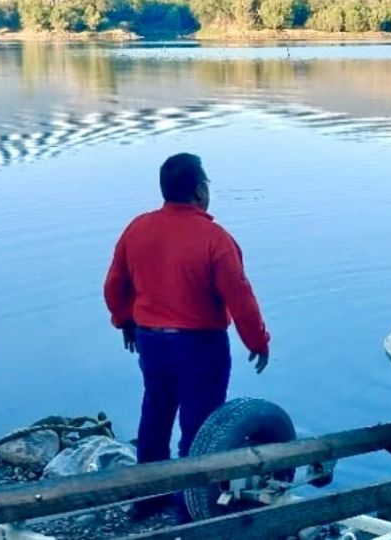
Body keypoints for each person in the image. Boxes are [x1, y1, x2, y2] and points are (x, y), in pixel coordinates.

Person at [103, 153, 270, 518]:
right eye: (206, 183)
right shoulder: (215, 239)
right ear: (198, 191)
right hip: (200, 345)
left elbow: (115, 285)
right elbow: (240, 298)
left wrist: (125, 321)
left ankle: (149, 497)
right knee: (199, 426)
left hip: (152, 340)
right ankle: (188, 506)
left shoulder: (137, 229)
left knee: (155, 415)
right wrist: (257, 342)